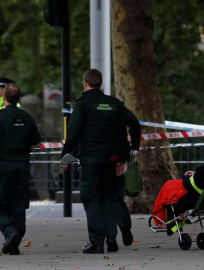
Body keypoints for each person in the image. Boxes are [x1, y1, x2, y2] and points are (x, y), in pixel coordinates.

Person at [60, 69, 129, 254]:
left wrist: (65, 155)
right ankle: (112, 237)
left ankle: (96, 242)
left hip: (91, 159)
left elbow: (73, 132)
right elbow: (123, 133)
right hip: (112, 159)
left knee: (91, 199)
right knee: (108, 197)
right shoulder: (114, 104)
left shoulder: (82, 104)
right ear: (100, 83)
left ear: (85, 83)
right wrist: (123, 158)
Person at [0, 83, 42, 255]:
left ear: (4, 98)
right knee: (19, 203)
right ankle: (15, 242)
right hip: (23, 166)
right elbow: (37, 143)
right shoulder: (27, 117)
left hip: (4, 166)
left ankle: (10, 231)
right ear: (19, 98)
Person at [151, 136, 204, 231]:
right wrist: (196, 174)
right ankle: (176, 223)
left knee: (172, 198)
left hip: (198, 200)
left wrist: (189, 177)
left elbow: (189, 184)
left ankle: (170, 224)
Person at [107, 105, 141, 250]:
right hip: (117, 156)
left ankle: (110, 238)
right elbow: (134, 122)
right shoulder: (116, 106)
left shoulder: (85, 105)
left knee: (100, 200)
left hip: (94, 157)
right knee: (115, 197)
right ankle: (125, 227)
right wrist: (134, 148)